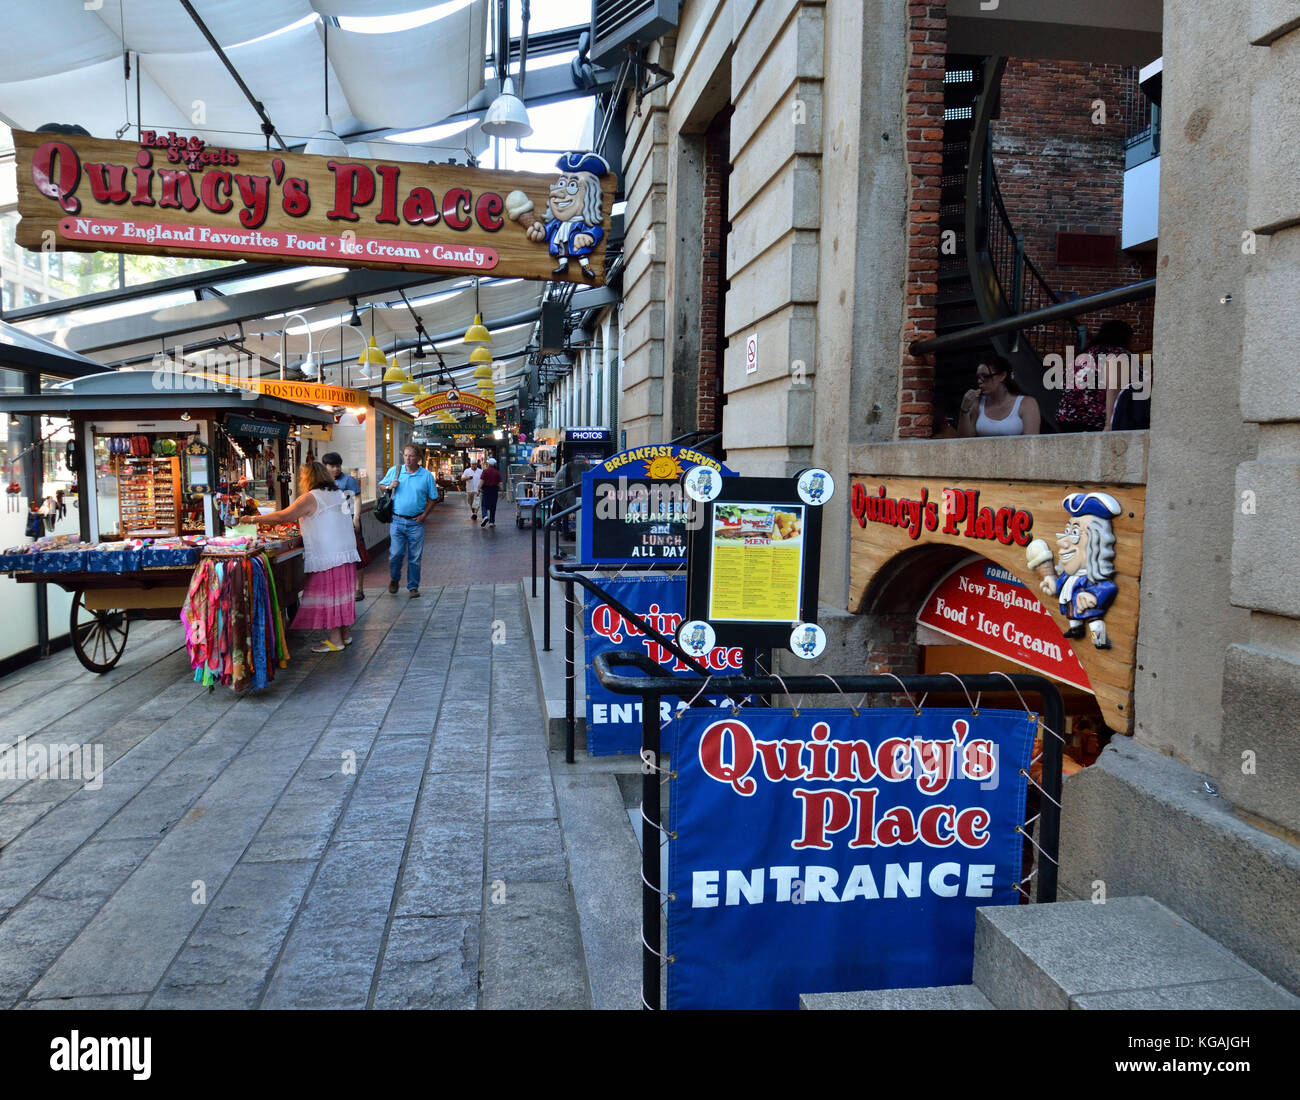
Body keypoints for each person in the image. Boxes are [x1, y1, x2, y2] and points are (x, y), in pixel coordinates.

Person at [246, 461, 359, 653]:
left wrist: (252, 519)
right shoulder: (337, 493)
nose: (300, 480)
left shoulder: (311, 497)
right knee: (340, 595)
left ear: (309, 477)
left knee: (330, 596)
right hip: (345, 552)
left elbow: (283, 517)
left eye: (302, 476)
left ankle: (335, 640)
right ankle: (344, 635)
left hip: (329, 555)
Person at [379, 444, 438, 598]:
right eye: (405, 455)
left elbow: (433, 498)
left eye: (411, 456)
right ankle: (395, 578)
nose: (408, 459)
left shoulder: (426, 476)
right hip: (397, 520)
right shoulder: (396, 471)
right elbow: (381, 485)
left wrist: (424, 515)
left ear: (418, 458)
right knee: (395, 554)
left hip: (416, 523)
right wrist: (389, 486)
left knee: (415, 557)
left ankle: (413, 586)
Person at [1057, 319, 1133, 433]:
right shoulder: (1118, 354)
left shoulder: (1084, 355)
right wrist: (1109, 424)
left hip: (1067, 418)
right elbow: (1114, 386)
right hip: (1095, 420)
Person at [957, 355, 1041, 437]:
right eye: (978, 377)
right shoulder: (978, 402)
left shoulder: (1026, 403)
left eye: (985, 376)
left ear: (1002, 376)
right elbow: (964, 440)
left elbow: (1031, 442)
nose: (979, 381)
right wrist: (964, 410)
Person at [322, 452, 366, 602]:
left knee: (358, 553)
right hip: (332, 525)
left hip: (350, 521)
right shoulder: (322, 483)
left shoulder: (348, 480)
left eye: (338, 465)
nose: (336, 469)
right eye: (332, 466)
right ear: (325, 467)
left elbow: (357, 498)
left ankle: (359, 588)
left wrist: (357, 518)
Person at [479, 457, 503, 527]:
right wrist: (502, 492)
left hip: (486, 489)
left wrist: (479, 488)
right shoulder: (497, 472)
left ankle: (485, 516)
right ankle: (492, 522)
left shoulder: (485, 471)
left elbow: (482, 481)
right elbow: (500, 483)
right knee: (493, 505)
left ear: (489, 464)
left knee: (484, 504)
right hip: (494, 490)